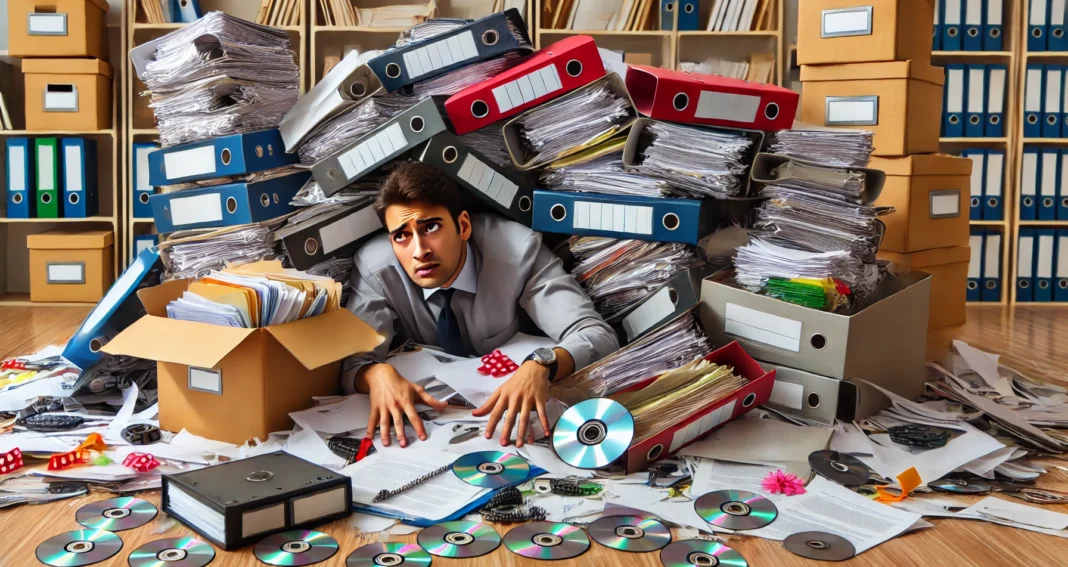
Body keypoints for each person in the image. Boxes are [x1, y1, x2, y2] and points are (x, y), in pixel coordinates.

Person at [344, 163, 619, 449]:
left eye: (431, 227)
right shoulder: (377, 269)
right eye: (401, 236)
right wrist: (375, 374)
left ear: (463, 226)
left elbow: (596, 335)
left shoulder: (518, 249)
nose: (419, 251)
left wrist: (543, 364)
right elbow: (353, 365)